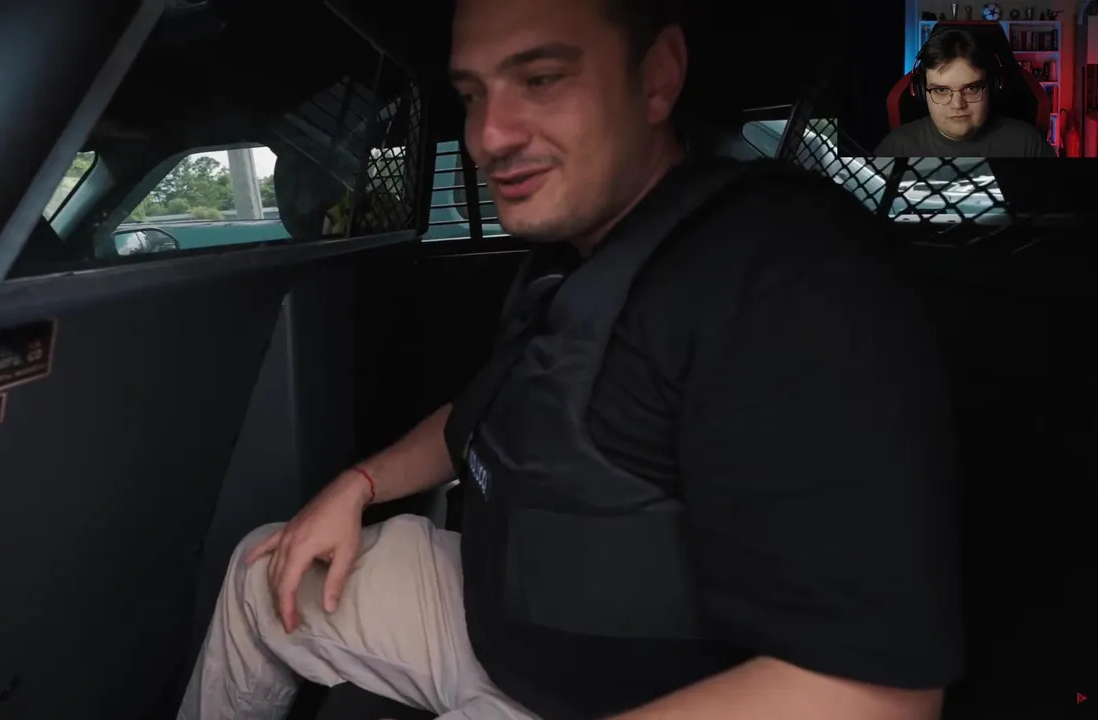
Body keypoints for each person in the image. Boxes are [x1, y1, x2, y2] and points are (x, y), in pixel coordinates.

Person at [178, 0, 965, 718]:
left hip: (621, 698)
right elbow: (479, 414)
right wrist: (358, 484)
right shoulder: (577, 256)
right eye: (473, 95)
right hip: (490, 621)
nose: (488, 136)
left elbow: (873, 698)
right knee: (263, 574)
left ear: (656, 78)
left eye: (542, 79)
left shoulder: (782, 282)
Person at [875, 26, 1056, 157]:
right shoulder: (896, 147)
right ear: (922, 92)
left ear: (992, 87)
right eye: (941, 90)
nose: (957, 104)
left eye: (971, 88)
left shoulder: (1028, 145)